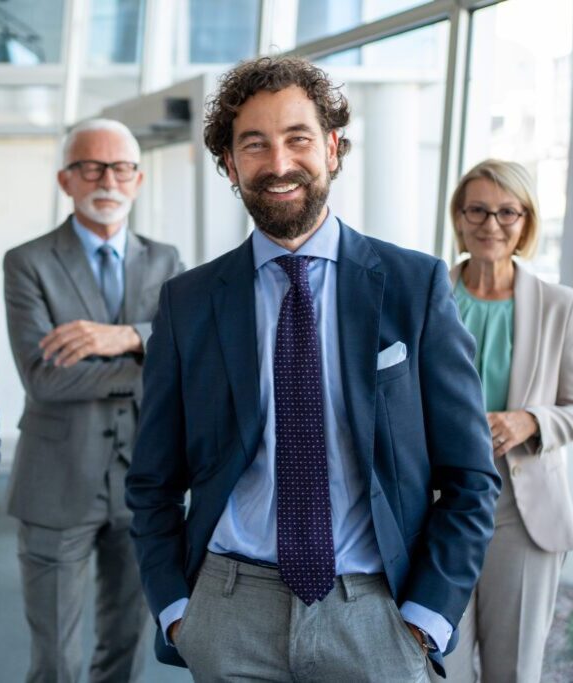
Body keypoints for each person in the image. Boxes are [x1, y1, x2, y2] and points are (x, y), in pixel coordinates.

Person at [125, 56, 501, 682]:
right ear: (229, 165)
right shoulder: (187, 302)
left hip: (377, 616)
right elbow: (152, 482)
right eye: (254, 145)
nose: (278, 164)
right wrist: (177, 613)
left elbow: (470, 477)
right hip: (228, 612)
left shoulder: (415, 285)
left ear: (331, 148)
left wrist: (425, 621)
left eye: (298, 139)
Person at [3, 118, 183, 683]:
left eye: (120, 168)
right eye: (91, 167)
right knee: (55, 657)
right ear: (66, 180)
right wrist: (150, 357)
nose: (107, 179)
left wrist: (128, 336)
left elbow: (187, 364)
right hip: (57, 484)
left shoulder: (166, 260)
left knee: (126, 643)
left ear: (138, 178)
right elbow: (45, 379)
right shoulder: (28, 262)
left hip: (144, 483)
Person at [435, 159, 573, 683]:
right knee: (438, 666)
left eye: (507, 212)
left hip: (521, 514)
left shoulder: (559, 305)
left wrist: (531, 420)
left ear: (527, 221)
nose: (491, 224)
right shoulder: (428, 299)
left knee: (514, 670)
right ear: (458, 217)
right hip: (437, 508)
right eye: (477, 209)